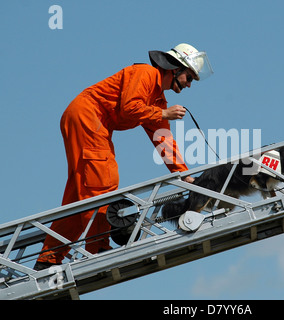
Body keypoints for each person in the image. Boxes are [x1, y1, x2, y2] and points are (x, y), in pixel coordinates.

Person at [34, 43, 213, 271]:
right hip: (88, 116)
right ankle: (97, 247)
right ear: (175, 69)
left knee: (80, 193)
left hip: (89, 119)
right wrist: (163, 113)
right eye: (189, 77)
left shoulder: (158, 100)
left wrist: (184, 175)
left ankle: (48, 258)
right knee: (103, 181)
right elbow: (130, 108)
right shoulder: (146, 74)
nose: (189, 84)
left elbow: (163, 138)